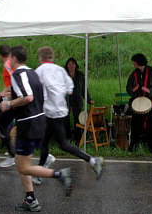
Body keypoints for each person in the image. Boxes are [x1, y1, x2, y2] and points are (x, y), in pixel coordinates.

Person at [0, 45, 71, 212]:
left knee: (23, 167)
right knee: (20, 160)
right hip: (40, 120)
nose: (9, 60)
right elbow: (34, 94)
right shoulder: (33, 73)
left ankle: (60, 175)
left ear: (14, 59)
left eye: (10, 58)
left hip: (28, 124)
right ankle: (30, 198)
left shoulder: (17, 74)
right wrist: (13, 95)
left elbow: (28, 97)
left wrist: (8, 103)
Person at [35, 46, 103, 180]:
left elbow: (40, 94)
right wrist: (65, 91)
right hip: (60, 111)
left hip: (50, 113)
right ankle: (41, 171)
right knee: (45, 142)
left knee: (60, 144)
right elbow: (70, 87)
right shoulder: (60, 70)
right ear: (51, 57)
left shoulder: (39, 71)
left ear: (40, 58)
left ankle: (93, 161)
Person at [126, 53, 152, 153]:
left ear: (138, 62)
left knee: (151, 125)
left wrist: (150, 90)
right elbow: (128, 88)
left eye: (134, 62)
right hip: (137, 102)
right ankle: (133, 145)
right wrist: (134, 89)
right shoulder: (134, 74)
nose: (133, 64)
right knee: (135, 125)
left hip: (150, 102)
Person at [0, 44, 16, 167]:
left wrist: (8, 101)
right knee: (25, 127)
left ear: (0, 55)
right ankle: (45, 153)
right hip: (19, 99)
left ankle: (11, 155)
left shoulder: (7, 66)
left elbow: (13, 85)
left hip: (17, 100)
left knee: (1, 122)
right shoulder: (14, 62)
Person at [64, 57, 94, 144]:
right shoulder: (64, 75)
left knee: (77, 119)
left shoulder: (80, 75)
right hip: (66, 100)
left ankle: (78, 138)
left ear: (76, 65)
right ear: (67, 66)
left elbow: (84, 89)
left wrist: (89, 99)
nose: (71, 66)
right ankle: (67, 137)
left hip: (77, 100)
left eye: (73, 64)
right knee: (66, 119)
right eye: (69, 64)